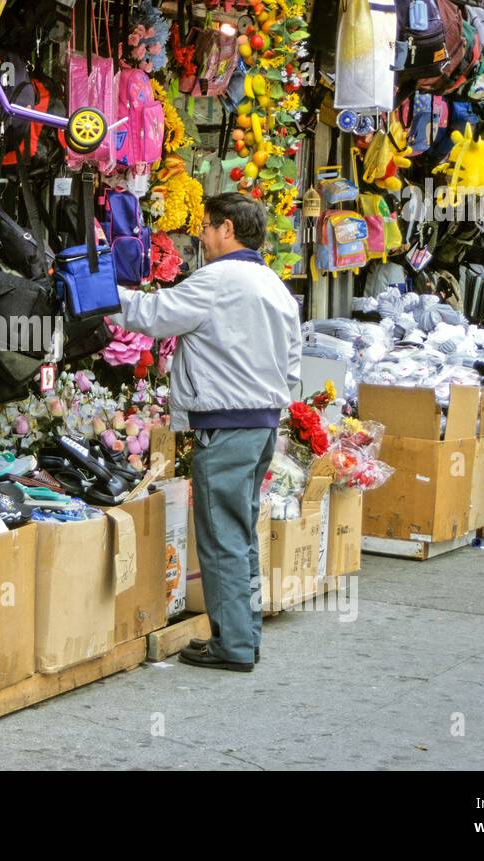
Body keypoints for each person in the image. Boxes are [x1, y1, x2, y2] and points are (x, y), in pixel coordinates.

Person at [112, 193, 301, 671]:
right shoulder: (274, 284)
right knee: (239, 534)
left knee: (221, 537)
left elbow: (153, 316)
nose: (201, 235)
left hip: (228, 427)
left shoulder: (218, 279)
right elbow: (294, 362)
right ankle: (242, 636)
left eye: (207, 226)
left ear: (227, 230)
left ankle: (233, 646)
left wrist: (96, 293)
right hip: (260, 426)